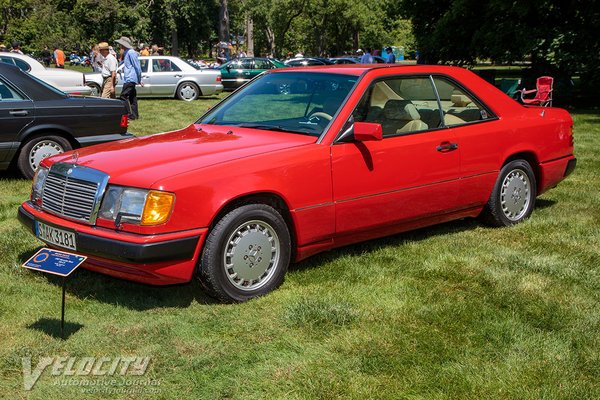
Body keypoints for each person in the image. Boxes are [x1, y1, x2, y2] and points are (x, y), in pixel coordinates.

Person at [116, 36, 142, 120]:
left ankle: (128, 114)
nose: (119, 46)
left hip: (130, 79)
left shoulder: (131, 52)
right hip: (129, 78)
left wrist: (139, 79)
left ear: (123, 45)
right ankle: (135, 115)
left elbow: (137, 66)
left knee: (123, 96)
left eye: (120, 44)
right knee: (132, 98)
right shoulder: (127, 53)